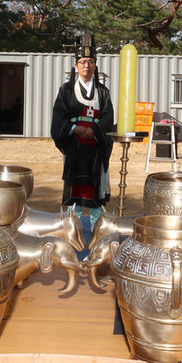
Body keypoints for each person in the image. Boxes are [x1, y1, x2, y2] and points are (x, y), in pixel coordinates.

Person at [50, 37, 114, 234]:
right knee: (74, 187)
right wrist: (76, 129)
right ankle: (72, 229)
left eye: (91, 62)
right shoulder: (66, 90)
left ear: (95, 66)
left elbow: (107, 116)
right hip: (74, 146)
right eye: (83, 62)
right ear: (76, 66)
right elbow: (59, 117)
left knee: (94, 189)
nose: (87, 66)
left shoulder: (102, 91)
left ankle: (96, 228)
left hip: (95, 146)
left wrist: (93, 131)